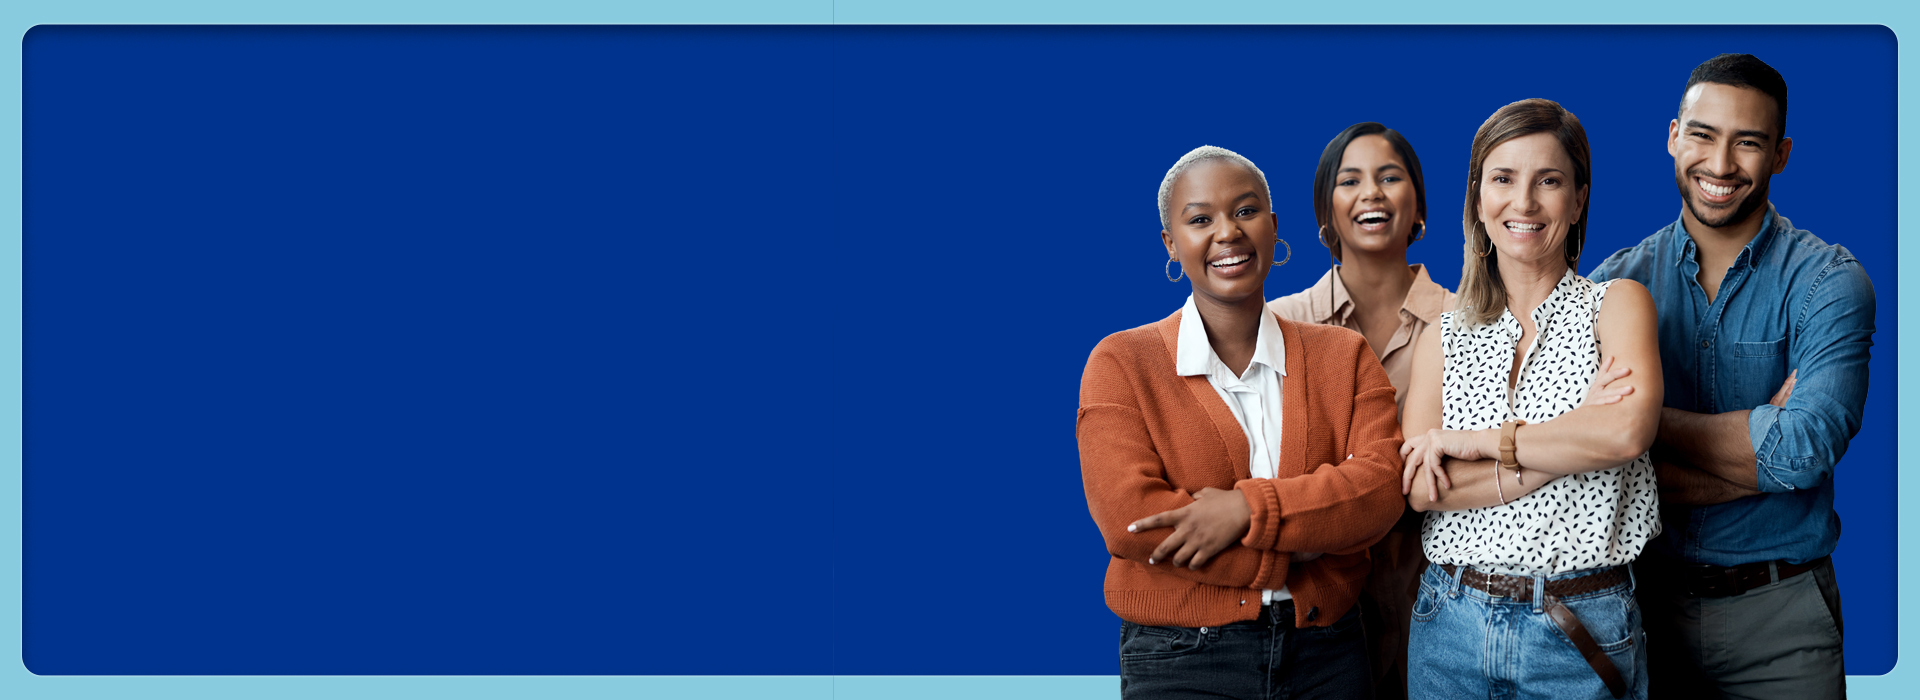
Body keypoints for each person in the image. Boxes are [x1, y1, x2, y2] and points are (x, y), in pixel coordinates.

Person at [1588, 53, 1873, 700]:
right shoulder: (1613, 284)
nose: (1719, 166)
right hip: (1639, 612)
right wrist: (1759, 451)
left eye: (1748, 143)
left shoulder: (1830, 283)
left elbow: (1805, 450)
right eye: (1703, 135)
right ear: (1672, 137)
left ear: (1781, 154)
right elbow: (1589, 473)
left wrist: (1641, 427)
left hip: (1784, 620)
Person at [1078, 145, 1406, 699]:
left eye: (1246, 211)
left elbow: (1378, 490)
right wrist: (1306, 542)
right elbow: (1131, 520)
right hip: (1180, 656)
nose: (1227, 232)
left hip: (1326, 652)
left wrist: (1244, 511)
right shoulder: (1121, 362)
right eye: (1200, 219)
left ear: (1273, 227)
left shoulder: (1344, 355)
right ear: (1171, 244)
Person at [1397, 98, 1664, 700]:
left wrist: (1470, 445)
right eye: (1503, 179)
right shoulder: (1443, 332)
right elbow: (1419, 487)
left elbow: (1624, 435)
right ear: (1478, 199)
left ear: (1578, 199)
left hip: (1580, 623)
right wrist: (1572, 436)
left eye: (1549, 180)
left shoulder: (1618, 305)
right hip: (1450, 620)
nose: (1524, 202)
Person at [1268, 122, 1454, 700]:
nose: (1371, 192)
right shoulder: (1277, 324)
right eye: (1351, 180)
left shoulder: (1468, 322)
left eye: (1389, 177)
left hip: (1437, 583)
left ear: (1418, 206)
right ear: (1327, 212)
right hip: (1312, 584)